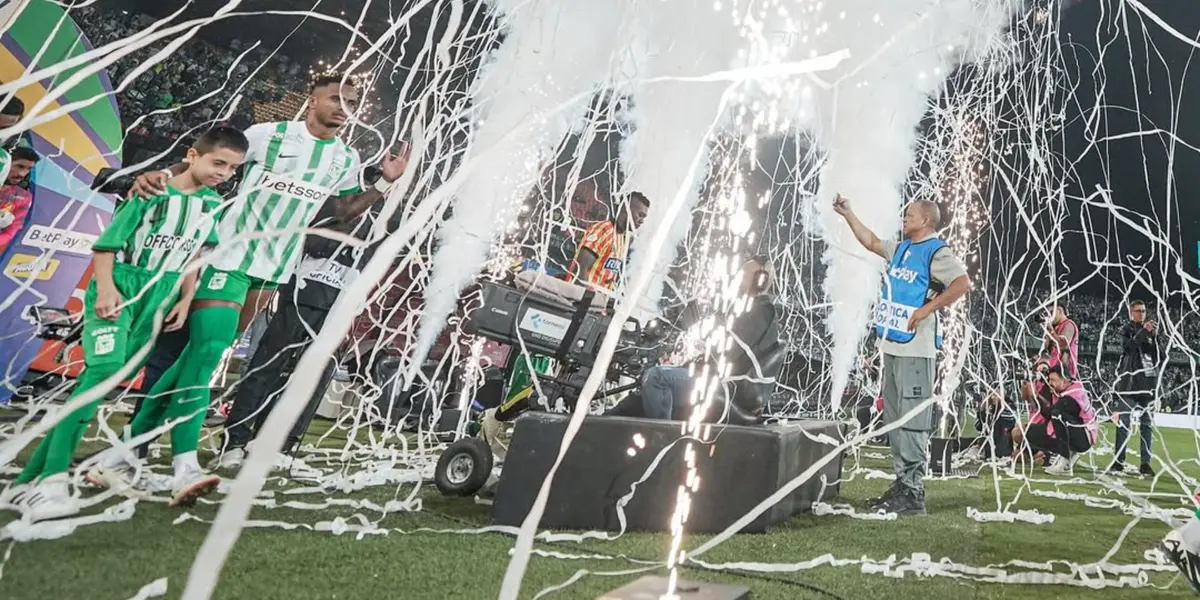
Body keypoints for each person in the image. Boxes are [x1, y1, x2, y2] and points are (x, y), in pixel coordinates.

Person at [115, 72, 409, 469]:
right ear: (313, 100)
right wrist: (164, 176)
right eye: (337, 99)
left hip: (274, 267)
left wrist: (383, 186)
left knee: (198, 353)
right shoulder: (268, 134)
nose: (344, 109)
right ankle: (156, 446)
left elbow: (340, 212)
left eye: (352, 104)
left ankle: (137, 439)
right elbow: (210, 158)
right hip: (229, 254)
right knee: (202, 350)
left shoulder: (345, 158)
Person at [2, 127, 245, 519]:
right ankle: (49, 482)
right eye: (218, 163)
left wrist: (185, 298)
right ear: (192, 155)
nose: (224, 173)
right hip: (123, 287)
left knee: (96, 385)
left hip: (160, 297)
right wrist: (107, 289)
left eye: (232, 169)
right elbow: (107, 246)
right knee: (103, 372)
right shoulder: (151, 192)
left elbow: (194, 256)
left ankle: (26, 483)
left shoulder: (211, 205)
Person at [210, 197, 385, 470]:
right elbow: (313, 243)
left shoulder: (386, 216)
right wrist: (351, 227)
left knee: (311, 378)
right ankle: (235, 441)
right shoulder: (335, 204)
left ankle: (278, 444)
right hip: (300, 295)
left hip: (339, 307)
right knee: (267, 368)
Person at [833, 194, 971, 517]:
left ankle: (913, 493)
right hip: (894, 346)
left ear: (926, 221)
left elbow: (962, 283)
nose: (904, 218)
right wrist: (848, 213)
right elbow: (870, 241)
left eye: (910, 215)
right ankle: (902, 484)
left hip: (916, 349)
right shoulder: (903, 248)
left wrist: (926, 309)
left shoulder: (937, 250)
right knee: (895, 418)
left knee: (911, 419)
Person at [607, 256, 781, 423]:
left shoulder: (759, 313)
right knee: (651, 386)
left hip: (731, 388)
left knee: (657, 377)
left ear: (761, 281)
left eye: (743, 274)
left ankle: (660, 439)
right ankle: (602, 421)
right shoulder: (749, 310)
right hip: (724, 381)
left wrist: (688, 364)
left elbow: (722, 356)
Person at [1112, 299, 1159, 475]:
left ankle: (1145, 463)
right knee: (1123, 424)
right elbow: (1128, 348)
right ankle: (1118, 461)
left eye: (1144, 310)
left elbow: (1160, 356)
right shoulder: (1127, 329)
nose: (1142, 314)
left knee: (1147, 425)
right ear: (1131, 312)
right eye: (1138, 310)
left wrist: (1154, 337)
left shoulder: (1151, 332)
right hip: (1130, 385)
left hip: (1147, 385)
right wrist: (1143, 332)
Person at [567, 191, 649, 291]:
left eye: (644, 217)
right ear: (625, 209)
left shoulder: (621, 237)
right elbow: (579, 270)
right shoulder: (603, 230)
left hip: (596, 302)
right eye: (640, 214)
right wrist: (586, 302)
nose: (642, 221)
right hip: (577, 300)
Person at [1023, 364, 1098, 475]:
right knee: (1027, 431)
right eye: (1049, 380)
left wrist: (1034, 395)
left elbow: (1049, 413)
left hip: (1083, 439)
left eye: (1053, 380)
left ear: (1064, 380)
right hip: (1081, 433)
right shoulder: (1075, 386)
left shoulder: (1071, 397)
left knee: (1056, 415)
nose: (1050, 383)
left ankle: (1065, 461)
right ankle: (1069, 453)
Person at [0, 147, 37, 253]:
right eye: (19, 166)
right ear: (7, 163)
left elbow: (9, 233)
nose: (22, 173)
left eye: (28, 169)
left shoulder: (24, 197)